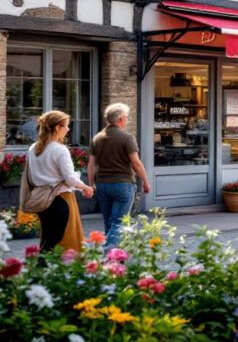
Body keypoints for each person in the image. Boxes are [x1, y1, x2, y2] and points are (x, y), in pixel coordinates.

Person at [26, 111, 94, 253]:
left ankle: (43, 270)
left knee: (47, 239)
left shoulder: (33, 149)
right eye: (66, 126)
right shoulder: (60, 150)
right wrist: (86, 187)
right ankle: (62, 270)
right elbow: (70, 178)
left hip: (40, 199)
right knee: (65, 241)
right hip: (60, 198)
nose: (68, 129)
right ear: (57, 127)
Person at [88, 103, 150, 249]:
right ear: (121, 119)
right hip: (122, 184)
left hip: (102, 184)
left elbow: (91, 164)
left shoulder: (97, 138)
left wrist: (91, 184)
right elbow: (136, 163)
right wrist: (146, 182)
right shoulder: (126, 137)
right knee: (119, 222)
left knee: (109, 221)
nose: (127, 120)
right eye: (127, 117)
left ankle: (115, 255)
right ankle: (110, 256)